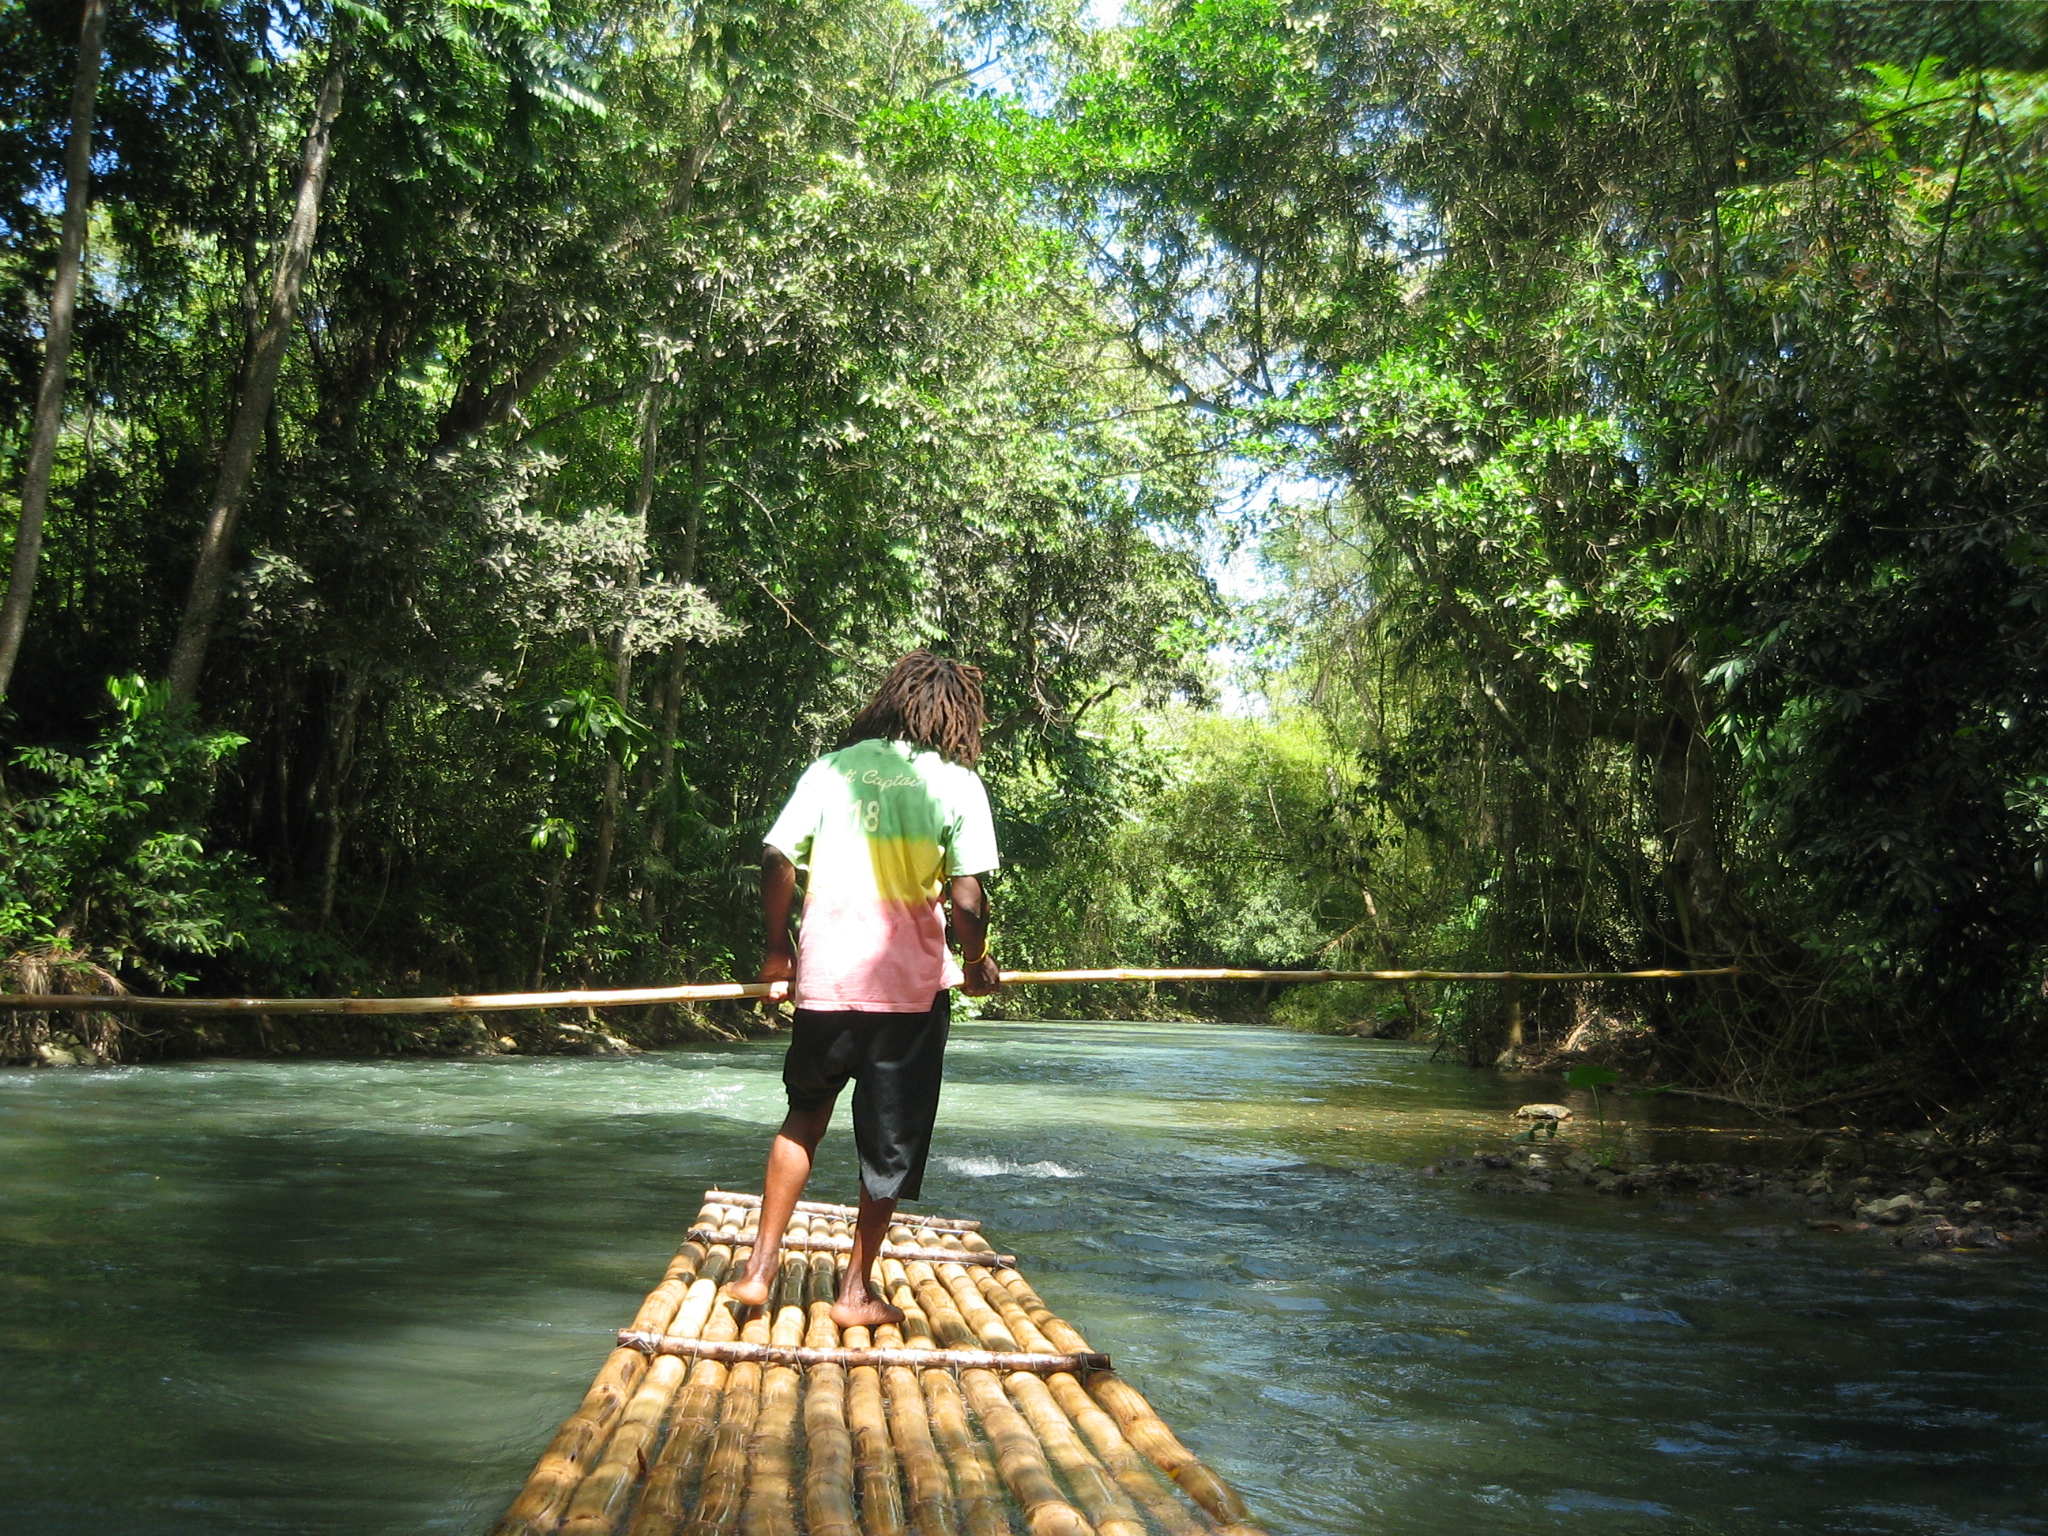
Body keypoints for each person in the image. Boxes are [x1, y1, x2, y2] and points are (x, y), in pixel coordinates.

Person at [721, 651, 1001, 1327]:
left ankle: (758, 1271)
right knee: (889, 1144)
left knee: (804, 1117)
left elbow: (777, 858)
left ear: (888, 701)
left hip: (824, 984)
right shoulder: (957, 782)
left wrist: (775, 950)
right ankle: (854, 1293)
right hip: (907, 998)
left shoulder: (830, 769)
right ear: (954, 713)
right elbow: (966, 897)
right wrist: (977, 961)